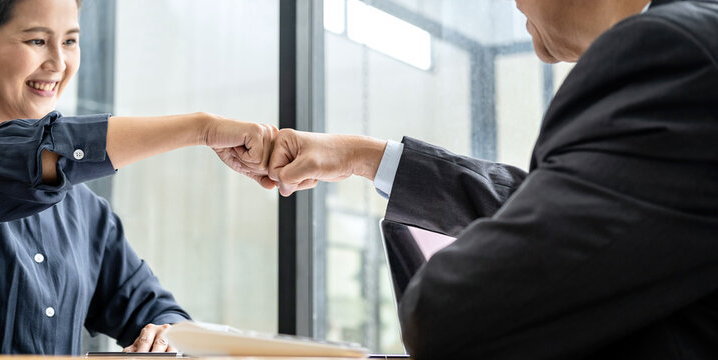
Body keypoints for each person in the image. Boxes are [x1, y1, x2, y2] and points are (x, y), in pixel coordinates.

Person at [266, 0, 718, 358]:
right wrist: (362, 156)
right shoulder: (692, 47)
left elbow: (452, 314)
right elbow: (588, 222)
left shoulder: (672, 52)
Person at [0, 0, 276, 354]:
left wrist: (165, 336)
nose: (58, 62)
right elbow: (30, 157)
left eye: (70, 41)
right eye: (37, 41)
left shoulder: (86, 211)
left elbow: (155, 310)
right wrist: (201, 129)